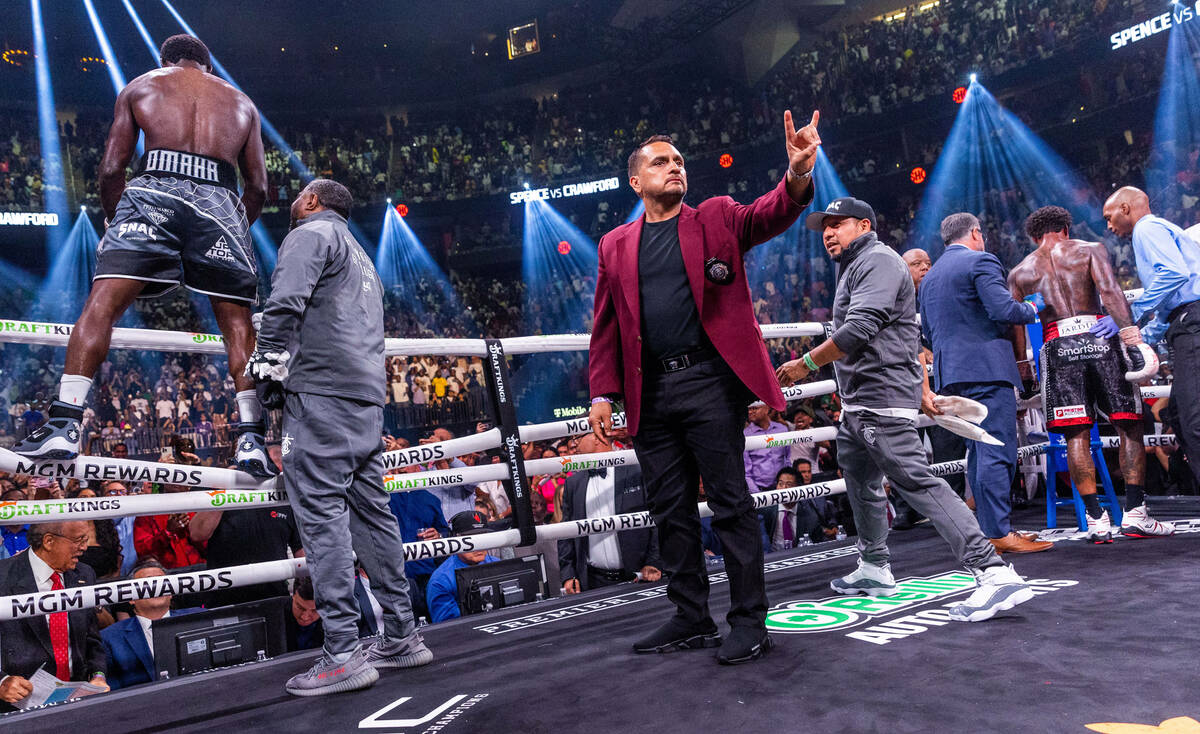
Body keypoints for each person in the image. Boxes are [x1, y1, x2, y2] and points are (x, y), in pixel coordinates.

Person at [588, 110, 820, 665]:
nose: (675, 168)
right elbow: (607, 324)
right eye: (660, 162)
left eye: (679, 161)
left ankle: (749, 620)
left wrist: (796, 175)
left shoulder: (714, 217)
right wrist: (602, 392)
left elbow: (769, 214)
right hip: (651, 393)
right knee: (669, 509)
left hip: (710, 383)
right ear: (635, 181)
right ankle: (691, 615)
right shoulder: (614, 245)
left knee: (731, 504)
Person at [11, 34, 272, 477]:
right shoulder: (243, 104)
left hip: (152, 193)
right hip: (221, 206)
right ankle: (251, 440)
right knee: (237, 324)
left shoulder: (142, 85)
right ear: (206, 65)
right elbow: (260, 187)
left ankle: (65, 424)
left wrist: (118, 223)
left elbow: (112, 168)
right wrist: (232, 229)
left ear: (165, 59)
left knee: (102, 305)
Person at [777, 196, 1032, 623]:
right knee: (858, 477)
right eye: (824, 226)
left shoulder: (877, 261)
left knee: (915, 480)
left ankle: (992, 571)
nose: (827, 232)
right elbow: (907, 336)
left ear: (863, 225)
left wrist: (805, 364)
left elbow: (861, 328)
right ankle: (875, 565)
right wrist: (922, 389)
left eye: (836, 224)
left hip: (880, 399)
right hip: (860, 400)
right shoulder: (854, 266)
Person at [247, 178, 431, 697]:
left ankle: (343, 653)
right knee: (372, 513)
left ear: (310, 201)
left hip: (323, 394)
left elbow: (286, 302)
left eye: (295, 197)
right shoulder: (360, 255)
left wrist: (268, 358)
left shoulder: (310, 233)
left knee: (323, 517)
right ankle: (400, 634)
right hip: (365, 398)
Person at [1009, 205, 1173, 541]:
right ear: (1065, 229)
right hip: (1101, 339)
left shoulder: (1020, 272)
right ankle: (1135, 513)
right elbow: (1111, 292)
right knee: (1129, 424)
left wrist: (1024, 373)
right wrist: (1132, 336)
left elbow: (1017, 327)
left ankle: (1096, 520)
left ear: (1035, 236)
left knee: (1076, 435)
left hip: (1058, 348)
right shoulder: (1089, 249)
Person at [919, 212, 1051, 554]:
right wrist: (1034, 306)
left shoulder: (930, 278)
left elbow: (929, 335)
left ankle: (991, 528)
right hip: (986, 370)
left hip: (953, 375)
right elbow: (1003, 310)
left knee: (978, 451)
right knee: (996, 449)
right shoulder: (981, 261)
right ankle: (997, 532)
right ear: (976, 233)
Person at [1103, 187, 1200, 488]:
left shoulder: (1146, 228)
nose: (1108, 226)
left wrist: (1130, 313)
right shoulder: (1159, 230)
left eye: (1109, 216)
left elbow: (1174, 275)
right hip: (1185, 323)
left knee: (1193, 420)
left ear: (1126, 208)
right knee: (1179, 415)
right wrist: (1139, 337)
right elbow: (1175, 302)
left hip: (1193, 326)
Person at [0, 522, 108, 708]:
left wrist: (98, 676)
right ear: (49, 541)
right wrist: (1, 682)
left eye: (85, 539)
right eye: (78, 540)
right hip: (18, 703)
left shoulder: (84, 573)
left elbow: (91, 639)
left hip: (77, 699)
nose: (84, 547)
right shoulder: (3, 576)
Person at [559, 434, 662, 593]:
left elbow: (659, 518)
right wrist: (568, 575)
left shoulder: (636, 469)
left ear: (595, 436)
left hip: (640, 576)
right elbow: (566, 532)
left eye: (577, 438)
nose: (574, 445)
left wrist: (654, 562)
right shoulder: (573, 483)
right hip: (592, 581)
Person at [100, 559, 201, 690]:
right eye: (147, 583)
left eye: (160, 582)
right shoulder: (110, 638)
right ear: (131, 598)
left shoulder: (197, 618)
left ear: (171, 593)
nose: (155, 588)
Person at [386, 487, 450, 622]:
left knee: (433, 622)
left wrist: (438, 535)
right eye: (399, 465)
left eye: (407, 464)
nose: (402, 468)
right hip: (395, 574)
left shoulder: (431, 499)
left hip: (426, 574)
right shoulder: (384, 498)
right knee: (403, 623)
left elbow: (444, 531)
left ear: (417, 466)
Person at [425, 511, 499, 624]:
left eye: (483, 537)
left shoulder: (498, 564)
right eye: (470, 538)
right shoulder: (441, 580)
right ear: (454, 540)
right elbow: (449, 628)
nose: (478, 545)